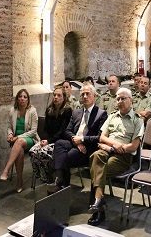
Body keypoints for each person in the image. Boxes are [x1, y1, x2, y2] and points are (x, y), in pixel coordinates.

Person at [87, 87, 144, 226]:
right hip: (107, 150)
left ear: (131, 100)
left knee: (98, 170)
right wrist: (112, 146)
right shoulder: (112, 116)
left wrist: (112, 147)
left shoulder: (137, 120)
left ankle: (98, 209)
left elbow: (133, 146)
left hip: (123, 157)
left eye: (123, 98)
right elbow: (102, 137)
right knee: (95, 157)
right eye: (118, 98)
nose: (119, 101)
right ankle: (99, 202)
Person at [48, 84, 107, 192]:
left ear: (94, 96)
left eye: (87, 94)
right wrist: (77, 141)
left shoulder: (101, 114)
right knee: (60, 143)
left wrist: (83, 140)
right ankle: (60, 180)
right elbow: (67, 131)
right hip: (75, 143)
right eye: (82, 94)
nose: (85, 96)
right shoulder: (76, 112)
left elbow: (99, 137)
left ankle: (61, 185)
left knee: (66, 156)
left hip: (88, 147)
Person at [29, 87, 72, 183]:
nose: (55, 97)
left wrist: (49, 141)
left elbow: (62, 131)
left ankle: (53, 178)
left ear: (64, 98)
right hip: (49, 140)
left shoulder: (67, 111)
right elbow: (46, 129)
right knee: (33, 151)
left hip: (61, 140)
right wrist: (45, 140)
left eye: (59, 95)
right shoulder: (49, 110)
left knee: (44, 153)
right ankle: (43, 177)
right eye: (54, 95)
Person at [0, 89, 40, 192]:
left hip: (29, 139)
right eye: (20, 96)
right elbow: (9, 126)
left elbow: (33, 131)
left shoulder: (32, 111)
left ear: (28, 100)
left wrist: (18, 137)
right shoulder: (12, 110)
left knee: (20, 142)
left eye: (25, 97)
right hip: (16, 141)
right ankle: (19, 181)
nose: (22, 99)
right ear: (17, 99)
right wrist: (10, 134)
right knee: (20, 151)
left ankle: (6, 170)